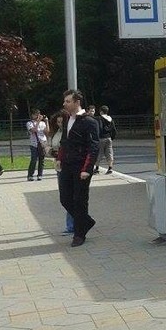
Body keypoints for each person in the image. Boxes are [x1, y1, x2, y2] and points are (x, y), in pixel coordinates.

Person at [58, 90, 99, 247]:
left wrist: (87, 169)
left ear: (77, 102)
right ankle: (86, 221)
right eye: (65, 101)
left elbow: (93, 147)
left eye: (68, 101)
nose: (64, 104)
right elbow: (64, 142)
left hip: (81, 167)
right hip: (67, 166)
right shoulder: (67, 119)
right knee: (65, 198)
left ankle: (79, 234)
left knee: (80, 200)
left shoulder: (89, 121)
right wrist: (59, 159)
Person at [50, 111, 73, 235]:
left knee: (68, 196)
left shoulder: (69, 133)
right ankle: (74, 222)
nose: (60, 124)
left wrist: (58, 153)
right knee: (65, 196)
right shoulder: (58, 132)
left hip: (67, 166)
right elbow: (53, 147)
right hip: (58, 166)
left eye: (62, 122)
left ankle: (72, 225)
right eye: (58, 122)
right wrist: (50, 151)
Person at [26, 109, 48, 181]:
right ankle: (30, 175)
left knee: (42, 160)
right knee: (34, 160)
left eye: (38, 114)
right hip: (34, 144)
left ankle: (40, 175)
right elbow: (34, 130)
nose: (37, 116)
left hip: (42, 143)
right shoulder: (29, 123)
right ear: (32, 115)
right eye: (36, 114)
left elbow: (47, 132)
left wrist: (46, 121)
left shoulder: (42, 123)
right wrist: (38, 122)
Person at [97, 105, 117, 174]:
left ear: (101, 112)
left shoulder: (100, 119)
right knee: (109, 153)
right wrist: (112, 137)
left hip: (101, 138)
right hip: (109, 138)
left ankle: (97, 168)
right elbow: (114, 130)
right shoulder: (110, 119)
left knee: (99, 153)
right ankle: (110, 167)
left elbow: (99, 128)